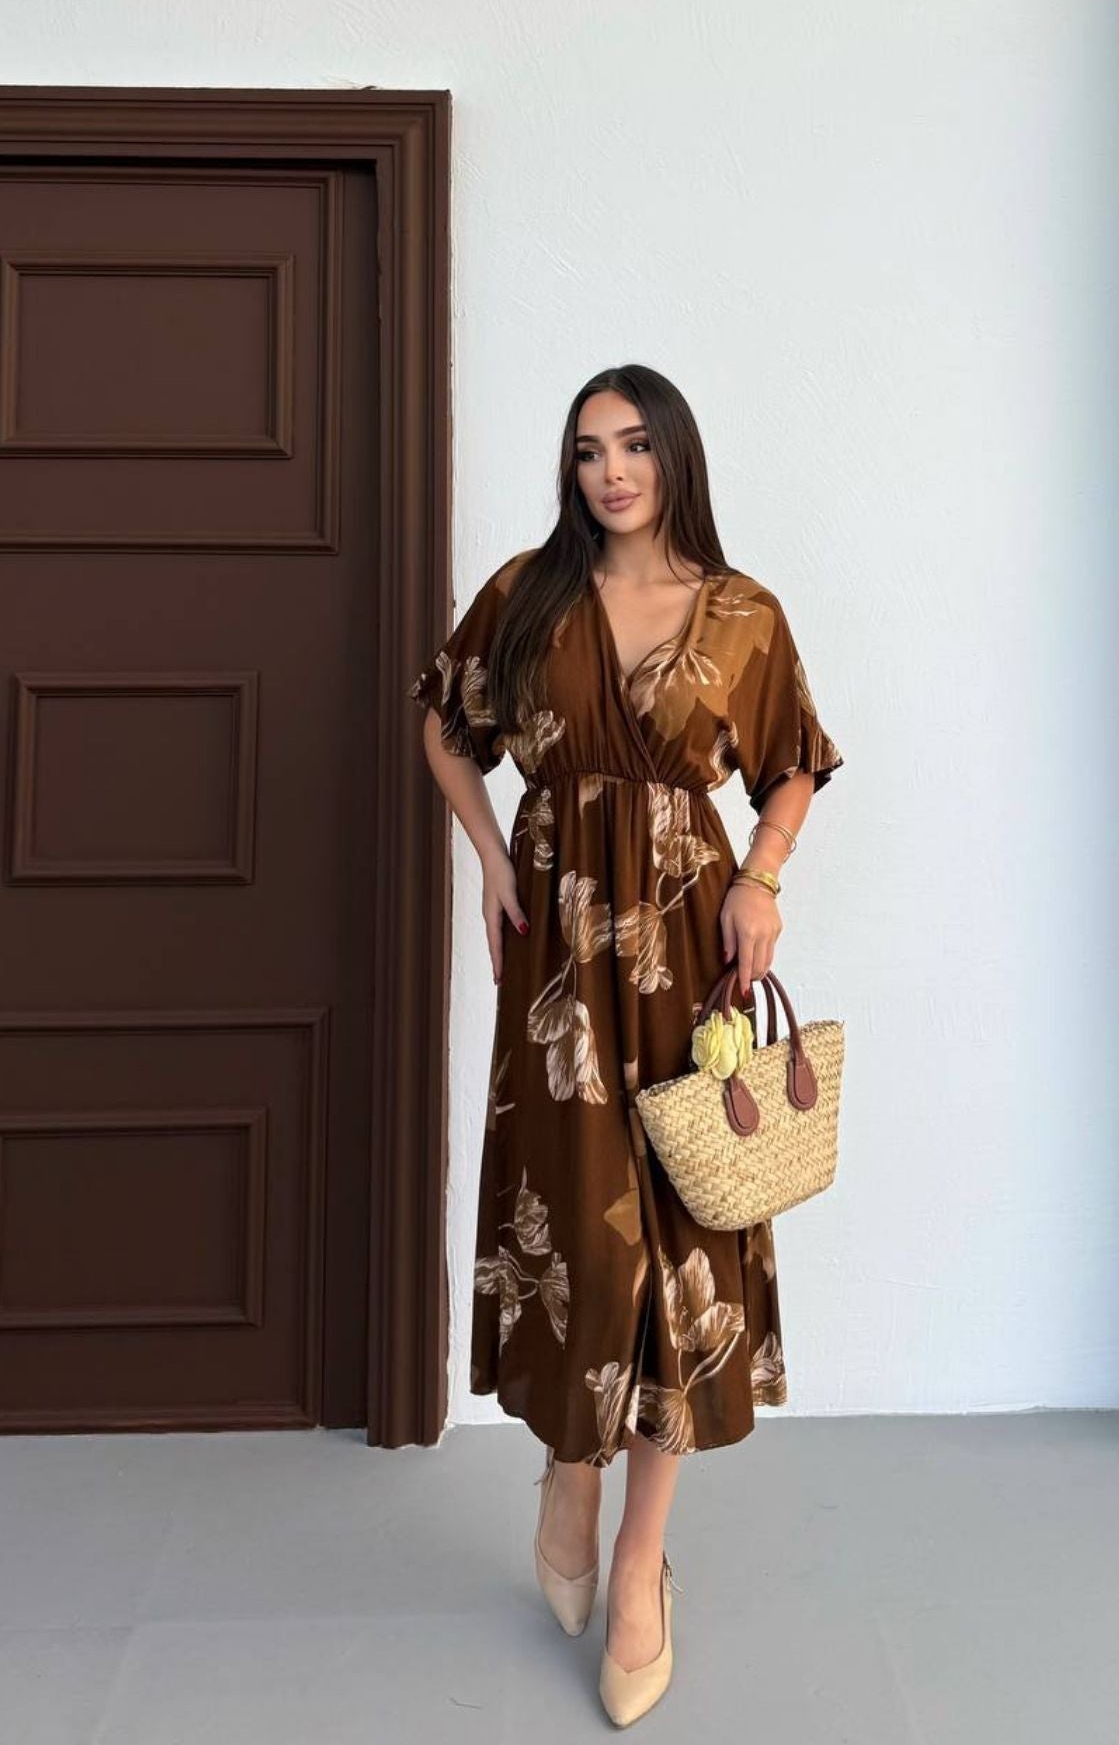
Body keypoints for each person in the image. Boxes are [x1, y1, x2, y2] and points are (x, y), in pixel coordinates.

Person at [409, 363, 844, 1725]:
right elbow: (443, 725)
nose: (611, 471)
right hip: (559, 952)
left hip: (689, 952)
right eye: (590, 448)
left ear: (675, 458)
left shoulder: (742, 613)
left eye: (636, 445)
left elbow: (794, 759)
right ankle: (570, 1474)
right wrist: (490, 859)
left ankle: (642, 1560)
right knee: (586, 1244)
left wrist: (761, 878)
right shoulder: (529, 597)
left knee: (685, 1251)